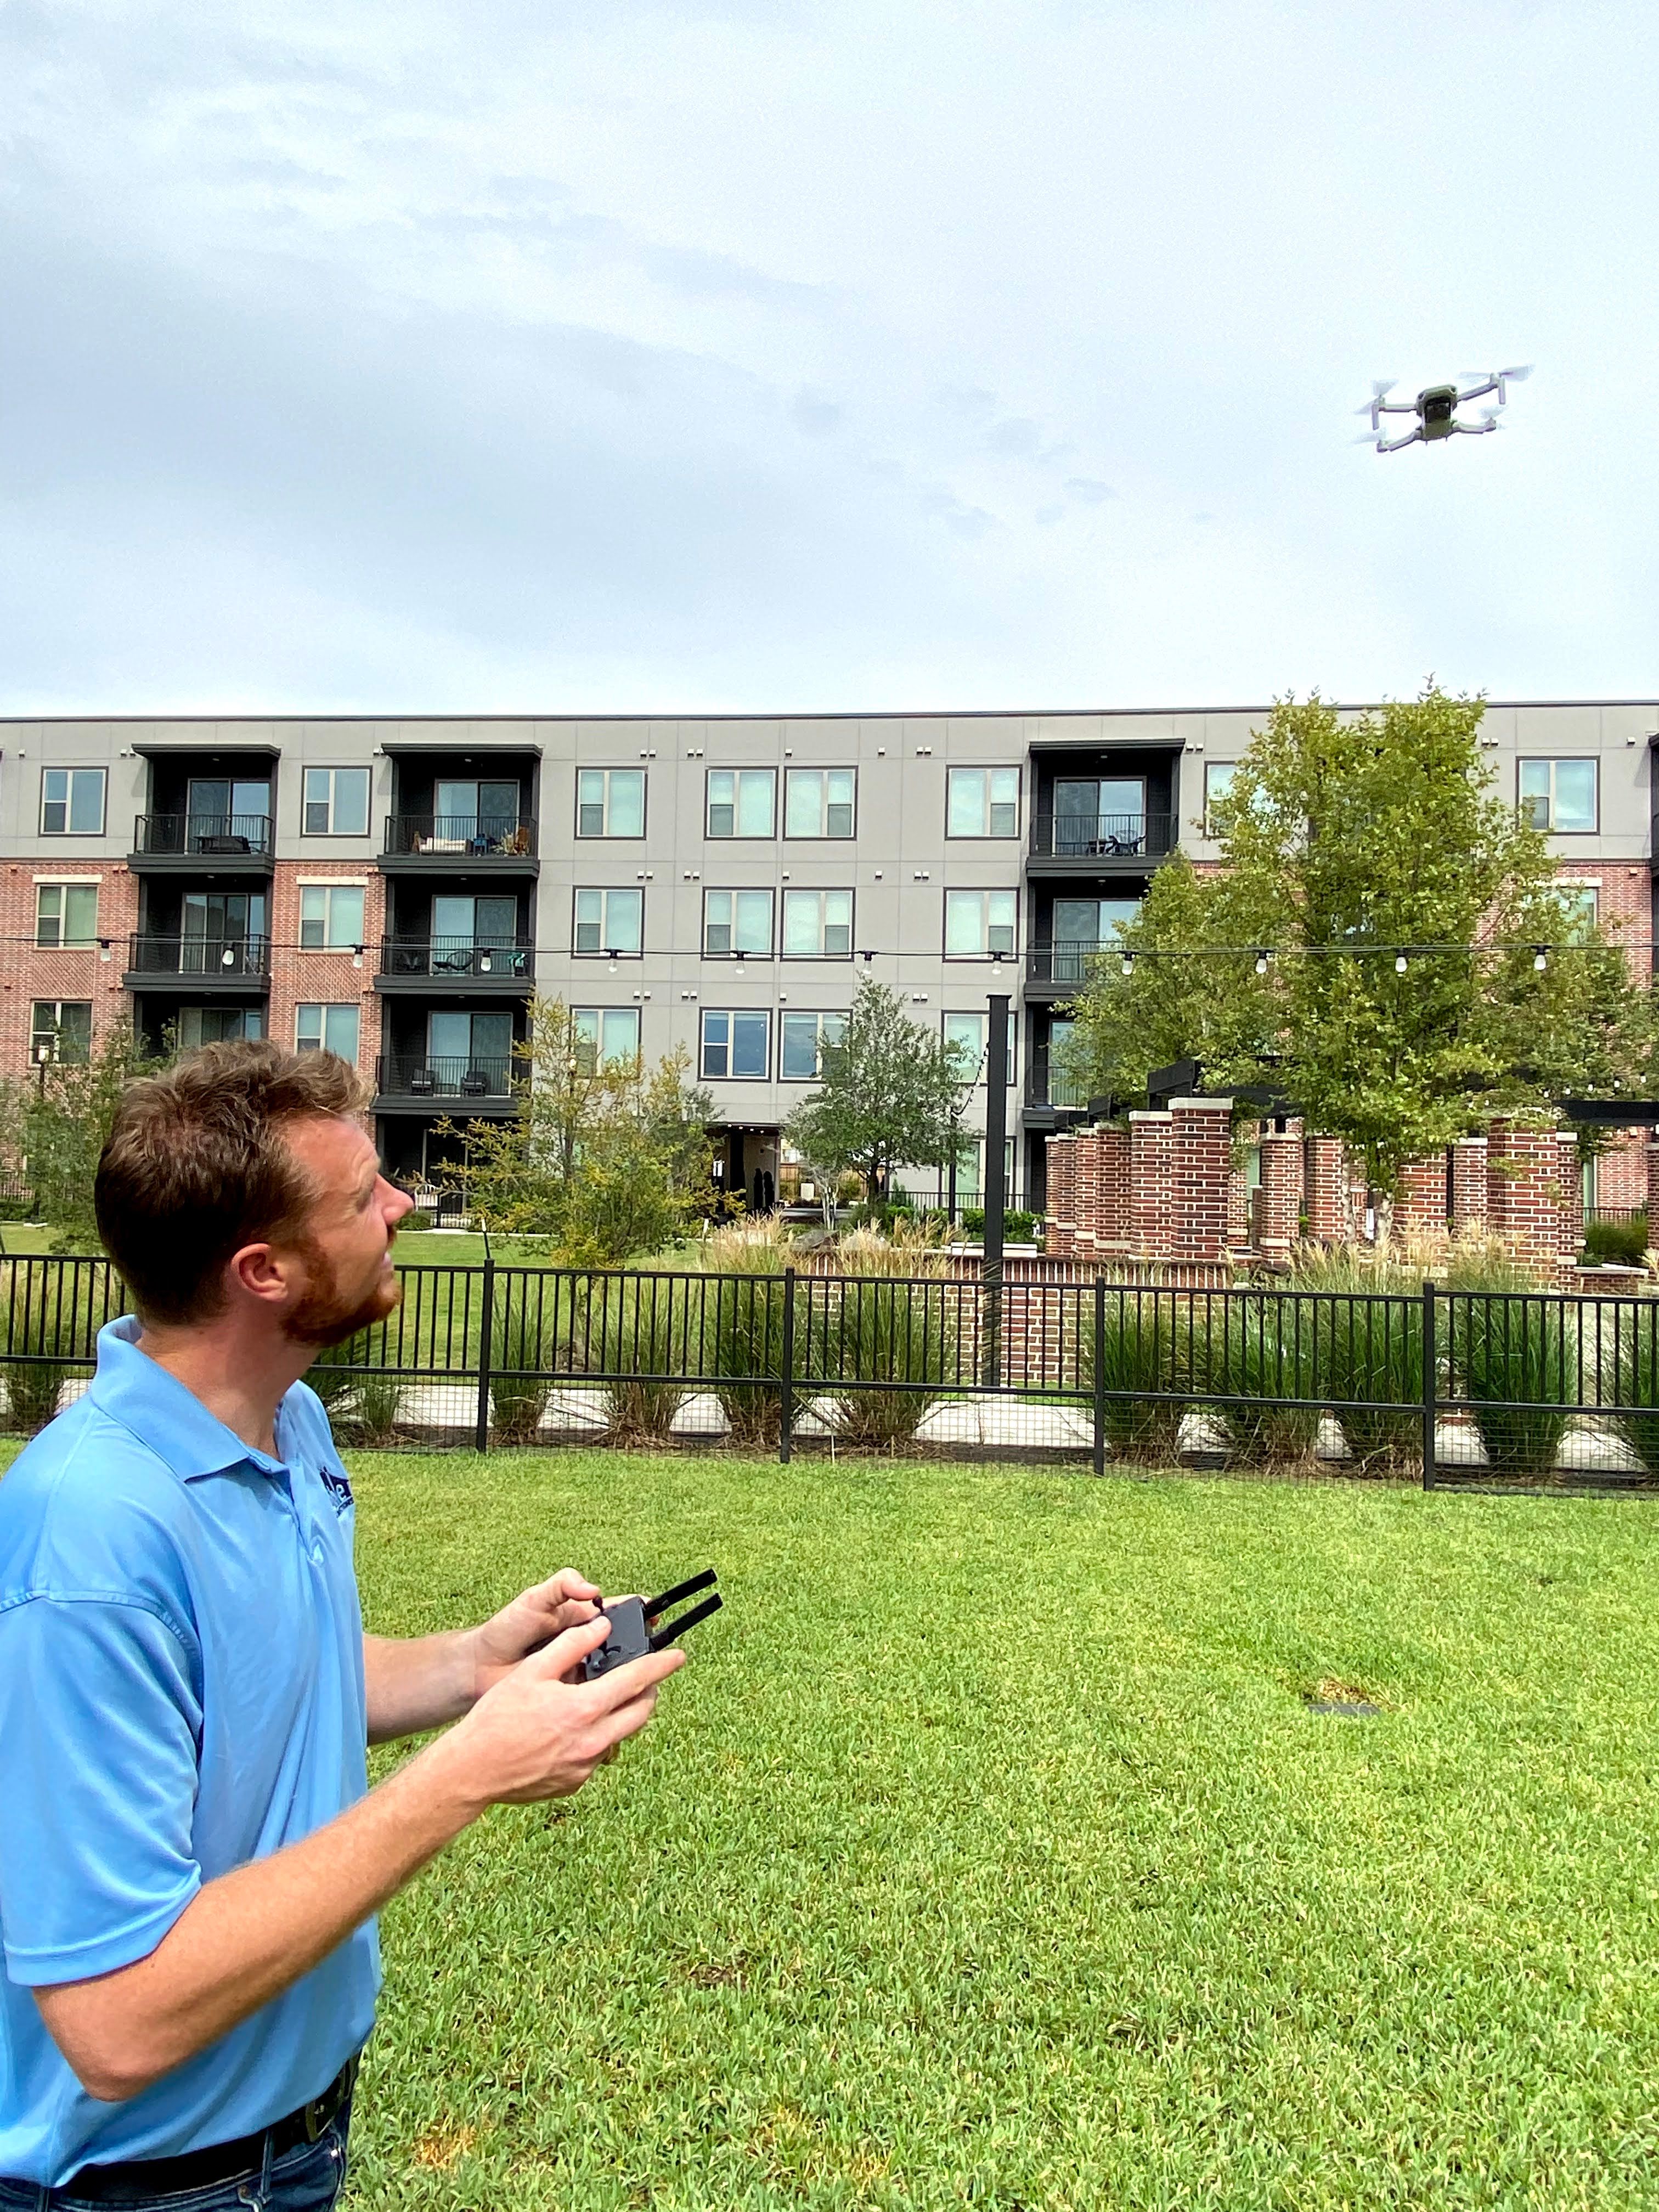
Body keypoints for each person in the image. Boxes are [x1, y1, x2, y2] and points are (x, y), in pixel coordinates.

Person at [0, 1042, 685, 2207]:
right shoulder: (88, 1545)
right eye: (364, 1194)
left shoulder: (289, 1421)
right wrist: (462, 1777)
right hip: (139, 2187)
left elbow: (272, 1686)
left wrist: (475, 1665)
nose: (402, 1206)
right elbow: (112, 2021)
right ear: (264, 1271)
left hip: (298, 2139)